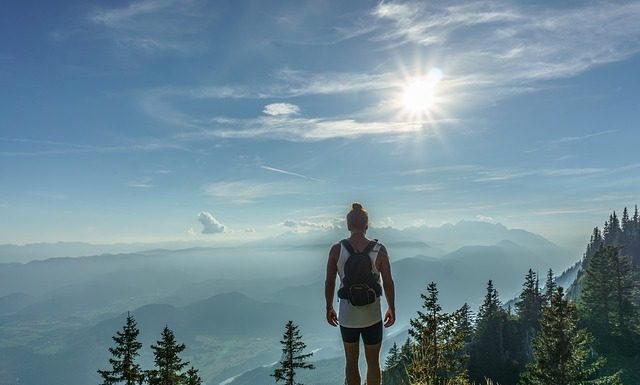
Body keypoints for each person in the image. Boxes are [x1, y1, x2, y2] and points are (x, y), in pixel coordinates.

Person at [325, 202, 396, 385]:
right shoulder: (379, 250)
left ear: (348, 226)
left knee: (351, 363)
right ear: (367, 225)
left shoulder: (336, 250)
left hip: (347, 316)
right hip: (372, 315)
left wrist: (329, 307)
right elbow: (388, 283)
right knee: (373, 364)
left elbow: (330, 281)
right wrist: (391, 308)